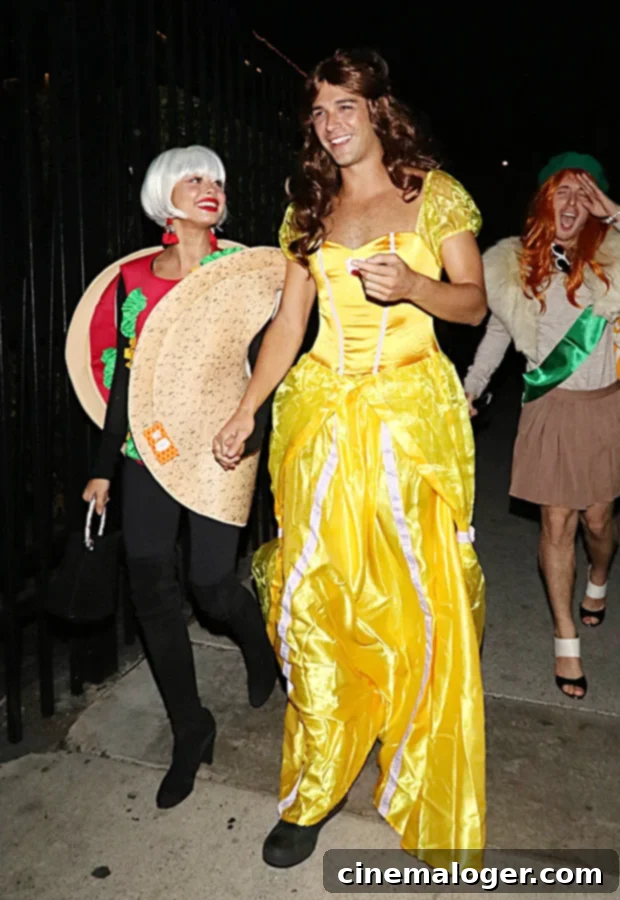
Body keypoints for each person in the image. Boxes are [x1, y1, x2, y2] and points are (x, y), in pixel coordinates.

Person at [213, 49, 487, 869]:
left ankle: (419, 767)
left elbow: (473, 304)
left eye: (345, 107)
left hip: (409, 426)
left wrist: (414, 287)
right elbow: (289, 326)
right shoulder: (309, 207)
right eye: (319, 113)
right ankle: (315, 788)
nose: (330, 125)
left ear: (377, 111)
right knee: (318, 604)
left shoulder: (433, 193)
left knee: (416, 604)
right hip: (324, 427)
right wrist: (245, 409)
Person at [79, 145, 277, 810]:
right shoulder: (133, 281)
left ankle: (257, 642)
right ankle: (191, 727)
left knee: (212, 585)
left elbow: (267, 366)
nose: (209, 187)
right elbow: (126, 380)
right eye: (193, 178)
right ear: (166, 195)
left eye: (216, 179)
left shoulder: (242, 273)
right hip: (149, 452)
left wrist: (250, 427)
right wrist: (103, 469)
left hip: (224, 447)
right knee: (151, 589)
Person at [464, 152, 620, 700]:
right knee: (557, 525)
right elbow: (499, 332)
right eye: (562, 191)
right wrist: (472, 386)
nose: (572, 202)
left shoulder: (612, 255)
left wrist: (615, 212)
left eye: (584, 193)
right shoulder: (513, 263)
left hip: (605, 407)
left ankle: (598, 576)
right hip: (550, 408)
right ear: (544, 201)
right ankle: (565, 636)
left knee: (598, 522)